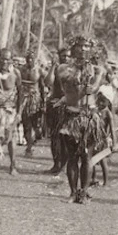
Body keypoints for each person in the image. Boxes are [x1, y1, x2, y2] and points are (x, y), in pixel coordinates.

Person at [55, 36, 106, 202]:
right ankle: (72, 192)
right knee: (72, 157)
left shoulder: (97, 70)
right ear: (73, 48)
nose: (83, 50)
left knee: (87, 157)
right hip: (71, 115)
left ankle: (83, 192)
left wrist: (89, 84)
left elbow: (94, 88)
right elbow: (64, 84)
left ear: (91, 50)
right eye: (80, 46)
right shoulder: (63, 68)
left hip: (88, 117)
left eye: (86, 47)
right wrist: (78, 73)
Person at [0, 48, 22, 174]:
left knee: (9, 138)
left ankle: (13, 165)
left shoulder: (16, 73)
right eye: (2, 58)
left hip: (9, 110)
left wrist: (19, 113)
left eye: (7, 59)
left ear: (11, 60)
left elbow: (20, 93)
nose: (4, 61)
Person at [44, 46, 71, 174]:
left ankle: (64, 165)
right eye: (63, 55)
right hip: (55, 106)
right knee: (55, 137)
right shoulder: (55, 69)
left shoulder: (74, 70)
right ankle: (56, 164)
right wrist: (53, 67)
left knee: (66, 137)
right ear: (59, 56)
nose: (66, 58)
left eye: (68, 56)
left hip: (70, 107)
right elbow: (48, 82)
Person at [20, 50, 45, 157]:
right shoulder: (21, 70)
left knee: (36, 124)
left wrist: (43, 102)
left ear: (35, 59)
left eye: (32, 58)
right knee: (26, 124)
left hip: (35, 99)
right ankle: (29, 147)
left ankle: (33, 141)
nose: (29, 60)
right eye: (28, 58)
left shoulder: (39, 71)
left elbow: (43, 87)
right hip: (24, 99)